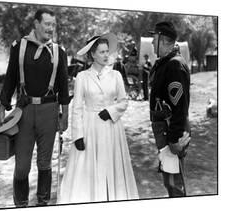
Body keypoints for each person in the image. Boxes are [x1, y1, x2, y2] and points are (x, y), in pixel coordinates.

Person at [0, 8, 69, 207]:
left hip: (49, 111)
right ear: (36, 24)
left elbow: (63, 85)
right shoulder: (19, 46)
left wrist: (65, 116)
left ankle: (42, 203)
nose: (50, 29)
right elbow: (10, 77)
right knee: (22, 166)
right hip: (24, 112)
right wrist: (3, 107)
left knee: (45, 163)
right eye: (47, 24)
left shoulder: (59, 51)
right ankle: (21, 204)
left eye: (53, 25)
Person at [58, 33, 139, 204]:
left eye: (106, 52)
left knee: (111, 164)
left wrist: (111, 111)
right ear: (92, 54)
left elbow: (124, 102)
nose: (105, 55)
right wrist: (77, 135)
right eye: (101, 52)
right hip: (89, 127)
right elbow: (77, 108)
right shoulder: (82, 77)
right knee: (87, 167)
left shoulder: (115, 75)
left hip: (111, 126)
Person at [148, 21, 191, 197]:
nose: (151, 43)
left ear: (164, 40)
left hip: (170, 131)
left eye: (154, 38)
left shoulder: (174, 65)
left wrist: (174, 139)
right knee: (169, 180)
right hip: (164, 130)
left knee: (174, 184)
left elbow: (180, 107)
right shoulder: (165, 62)